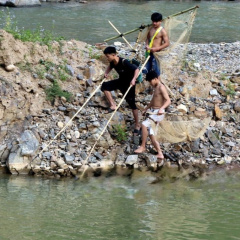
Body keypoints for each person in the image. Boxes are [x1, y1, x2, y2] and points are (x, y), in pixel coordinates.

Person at [101, 46, 140, 134]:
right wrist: (106, 73)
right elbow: (109, 67)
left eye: (108, 56)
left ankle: (137, 124)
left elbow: (136, 70)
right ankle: (113, 105)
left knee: (132, 104)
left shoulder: (124, 62)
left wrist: (134, 79)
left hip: (129, 84)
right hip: (121, 81)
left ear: (114, 55)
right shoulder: (112, 62)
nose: (107, 58)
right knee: (104, 86)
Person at [134, 70, 171, 160]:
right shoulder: (155, 87)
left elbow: (168, 100)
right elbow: (153, 101)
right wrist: (146, 109)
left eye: (150, 81)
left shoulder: (161, 87)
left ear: (155, 79)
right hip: (153, 111)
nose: (150, 83)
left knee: (144, 124)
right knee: (151, 134)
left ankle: (143, 146)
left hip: (158, 113)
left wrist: (162, 108)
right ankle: (160, 153)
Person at [144, 12, 169, 77]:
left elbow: (167, 43)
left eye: (156, 22)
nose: (154, 23)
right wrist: (146, 45)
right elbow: (147, 38)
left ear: (160, 21)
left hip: (157, 53)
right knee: (147, 69)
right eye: (153, 21)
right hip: (149, 52)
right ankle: (149, 82)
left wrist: (156, 48)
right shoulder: (150, 29)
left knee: (156, 70)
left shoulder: (162, 31)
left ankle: (158, 83)